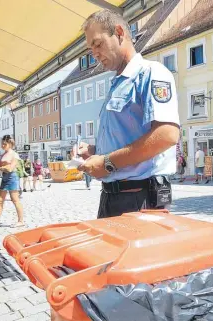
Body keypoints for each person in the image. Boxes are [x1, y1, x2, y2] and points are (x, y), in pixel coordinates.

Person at [74, 9, 180, 219]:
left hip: (140, 197)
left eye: (97, 44)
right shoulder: (117, 83)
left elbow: (167, 134)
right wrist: (95, 151)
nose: (94, 53)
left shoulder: (151, 73)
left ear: (120, 32)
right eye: (90, 49)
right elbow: (127, 138)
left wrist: (106, 162)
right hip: (113, 197)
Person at [0, 135, 24, 229]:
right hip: (4, 178)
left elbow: (10, 169)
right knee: (0, 201)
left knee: (15, 200)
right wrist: (3, 167)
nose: (2, 145)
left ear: (10, 144)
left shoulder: (14, 154)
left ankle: (21, 221)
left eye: (4, 144)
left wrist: (2, 167)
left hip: (12, 178)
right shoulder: (2, 155)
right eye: (2, 143)